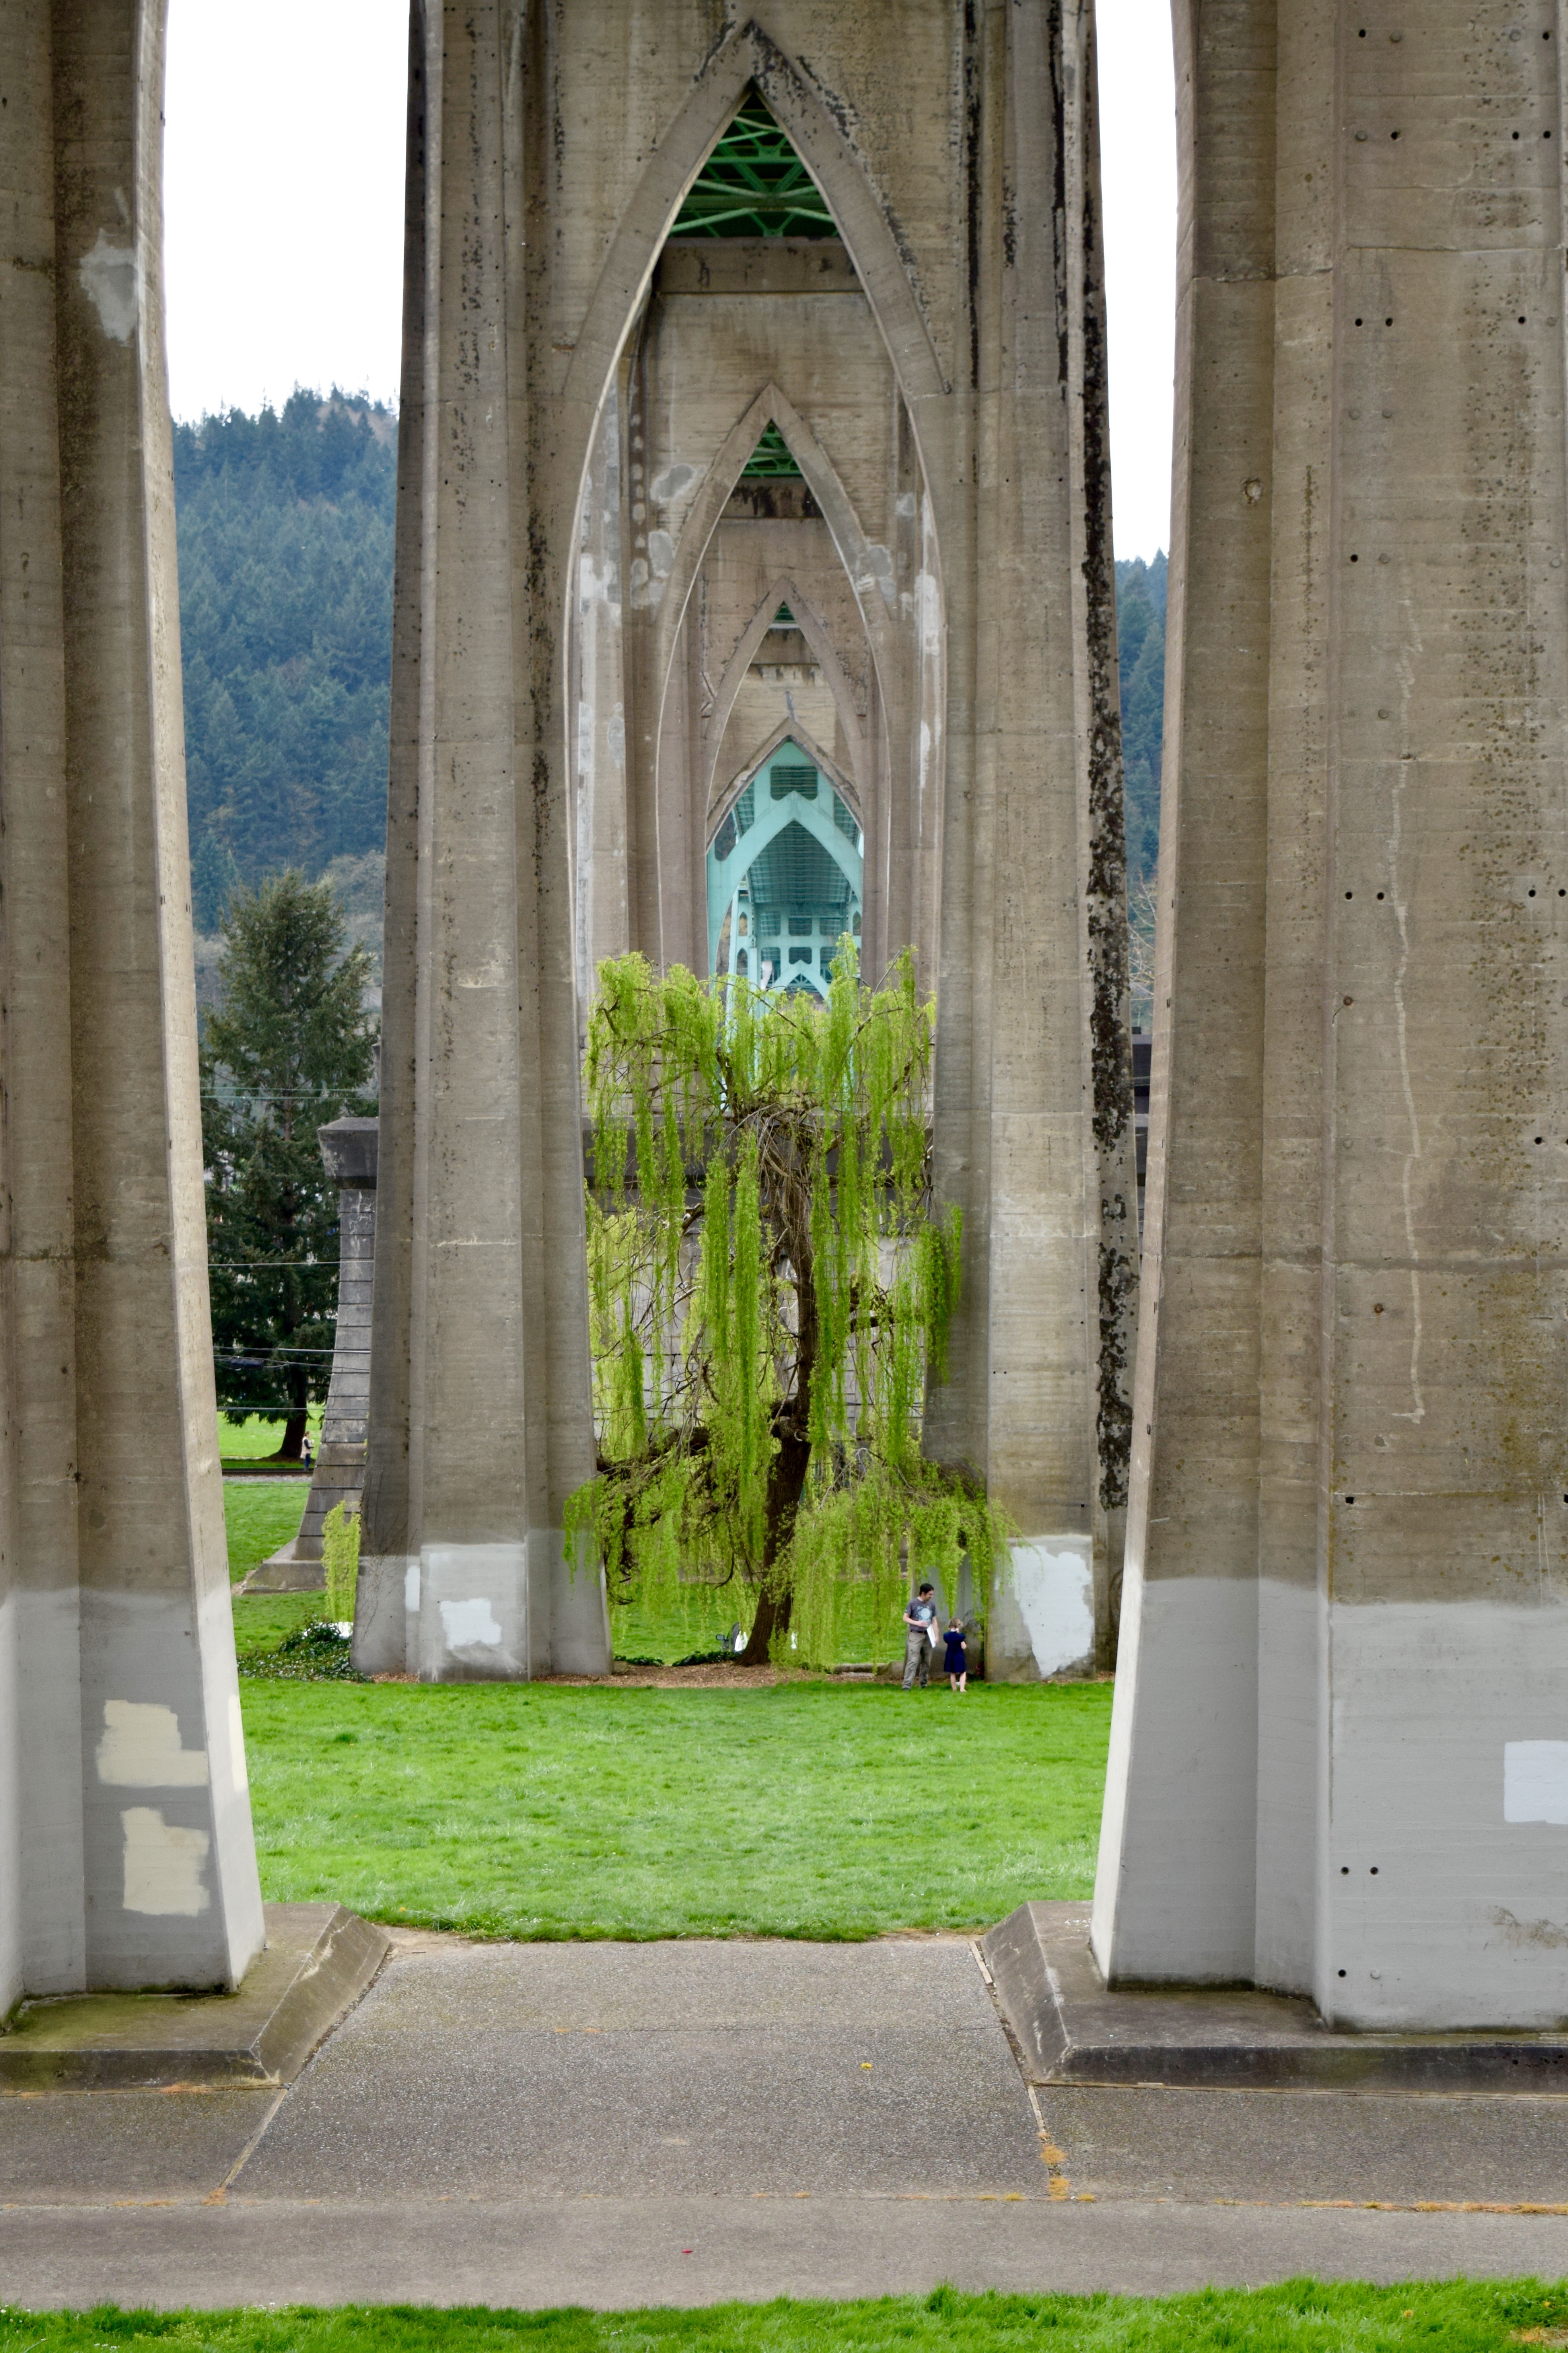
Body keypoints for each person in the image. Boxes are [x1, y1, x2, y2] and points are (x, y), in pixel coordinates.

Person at [902, 1582, 938, 1689]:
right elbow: (905, 1618)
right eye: (930, 1595)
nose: (931, 1597)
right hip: (915, 1635)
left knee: (927, 1661)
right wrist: (917, 1623)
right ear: (923, 1593)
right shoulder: (913, 1603)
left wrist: (936, 1636)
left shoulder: (932, 1605)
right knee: (913, 1661)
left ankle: (923, 1684)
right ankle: (907, 1686)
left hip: (928, 1636)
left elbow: (934, 1621)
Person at [944, 1616, 967, 1695]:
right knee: (963, 1672)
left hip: (950, 1656)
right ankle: (962, 1688)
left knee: (953, 1673)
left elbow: (947, 1645)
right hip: (959, 1656)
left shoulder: (946, 1636)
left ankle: (954, 1689)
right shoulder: (960, 1636)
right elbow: (964, 1647)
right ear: (958, 1626)